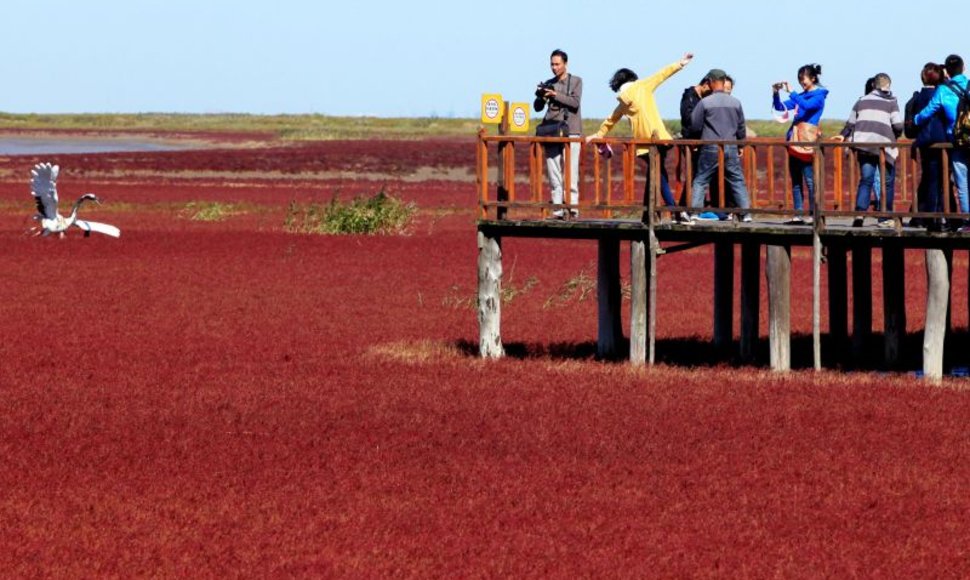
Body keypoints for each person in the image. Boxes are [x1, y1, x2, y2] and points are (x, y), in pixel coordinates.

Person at [586, 52, 694, 223]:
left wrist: (598, 135)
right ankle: (675, 212)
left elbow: (611, 119)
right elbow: (662, 74)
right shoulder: (642, 86)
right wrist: (681, 63)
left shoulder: (622, 101)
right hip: (659, 139)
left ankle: (650, 214)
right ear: (632, 79)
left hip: (642, 144)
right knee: (659, 175)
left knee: (656, 174)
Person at [834, 73, 904, 228]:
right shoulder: (891, 102)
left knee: (866, 180)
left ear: (874, 85)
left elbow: (850, 123)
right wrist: (895, 135)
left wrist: (842, 135)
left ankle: (859, 214)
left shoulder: (861, 100)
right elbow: (898, 125)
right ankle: (885, 217)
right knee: (887, 182)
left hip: (863, 145)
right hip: (883, 147)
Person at [687, 68, 752, 223]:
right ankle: (746, 213)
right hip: (730, 145)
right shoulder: (736, 102)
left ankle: (694, 212)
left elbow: (695, 126)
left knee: (701, 179)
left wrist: (695, 140)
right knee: (736, 179)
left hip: (710, 145)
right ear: (724, 82)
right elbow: (741, 126)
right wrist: (740, 145)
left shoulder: (705, 102)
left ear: (710, 82)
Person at [914, 54, 970, 228]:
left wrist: (915, 120)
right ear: (963, 68)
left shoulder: (943, 90)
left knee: (962, 183)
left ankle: (968, 220)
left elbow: (929, 111)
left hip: (957, 140)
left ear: (947, 70)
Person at [772, 64, 828, 223]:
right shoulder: (800, 96)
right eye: (799, 79)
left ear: (813, 78)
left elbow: (807, 106)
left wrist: (793, 93)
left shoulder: (819, 96)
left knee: (810, 180)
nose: (800, 82)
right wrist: (775, 93)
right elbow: (780, 107)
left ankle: (812, 214)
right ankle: (798, 214)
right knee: (796, 180)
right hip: (794, 140)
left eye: (803, 79)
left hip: (807, 142)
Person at [534, 49, 583, 219]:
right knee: (553, 171)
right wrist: (540, 95)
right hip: (552, 129)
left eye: (557, 64)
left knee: (571, 171)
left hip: (572, 130)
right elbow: (538, 108)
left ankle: (573, 208)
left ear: (565, 64)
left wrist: (555, 94)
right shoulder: (549, 82)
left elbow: (575, 103)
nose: (554, 68)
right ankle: (557, 209)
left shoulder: (576, 81)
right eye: (552, 64)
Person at [905, 63, 947, 229]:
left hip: (923, 142)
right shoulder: (939, 94)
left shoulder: (917, 97)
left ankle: (923, 216)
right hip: (940, 142)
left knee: (929, 178)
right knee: (937, 181)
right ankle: (935, 217)